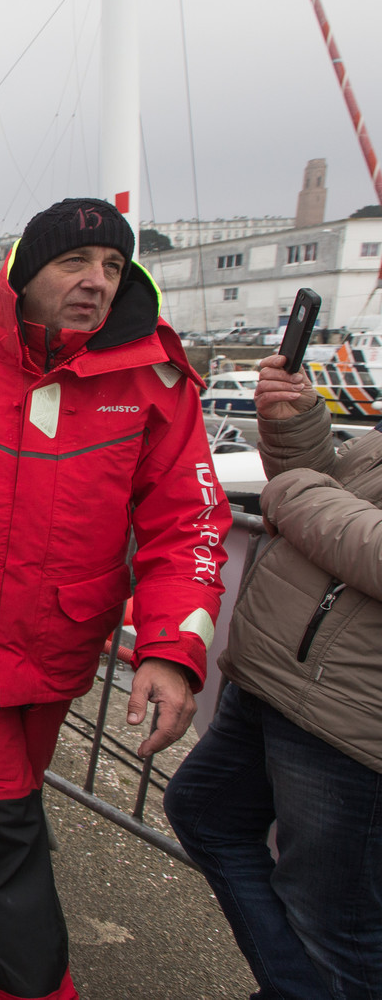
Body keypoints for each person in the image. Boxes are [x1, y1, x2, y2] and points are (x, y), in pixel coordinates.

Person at [0, 197, 231, 1000]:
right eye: (74, 263)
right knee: (1, 828)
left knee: (6, 791)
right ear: (24, 276)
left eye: (113, 267)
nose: (97, 281)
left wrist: (172, 650)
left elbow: (188, 525)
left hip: (60, 647)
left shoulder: (156, 387)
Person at [164, 354, 382, 999]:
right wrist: (295, 429)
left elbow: (332, 517)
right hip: (282, 679)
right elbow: (347, 498)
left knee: (338, 928)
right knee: (204, 812)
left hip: (352, 719)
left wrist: (292, 492)